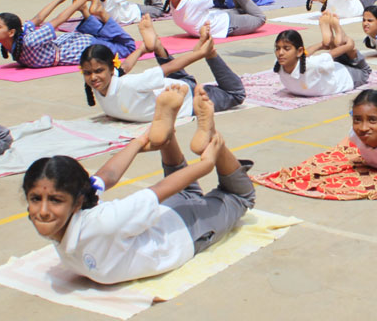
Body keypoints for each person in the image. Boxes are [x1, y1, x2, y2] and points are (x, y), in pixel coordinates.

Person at [23, 85, 255, 285]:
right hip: (167, 214)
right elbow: (107, 175)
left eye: (55, 200)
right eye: (35, 199)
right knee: (186, 191)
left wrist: (206, 164)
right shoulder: (73, 209)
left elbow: (160, 190)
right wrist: (140, 141)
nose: (43, 211)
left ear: (77, 202)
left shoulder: (105, 222)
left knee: (241, 196)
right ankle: (166, 136)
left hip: (185, 232)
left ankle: (213, 138)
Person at [80, 19, 245, 120]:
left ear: (110, 69)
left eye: (98, 71)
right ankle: (156, 46)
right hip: (175, 85)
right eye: (88, 73)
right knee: (181, 79)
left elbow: (170, 67)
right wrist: (142, 49)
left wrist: (203, 53)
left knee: (236, 94)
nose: (93, 77)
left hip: (190, 100)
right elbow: (124, 67)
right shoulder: (102, 82)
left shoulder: (130, 84)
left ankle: (212, 54)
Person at [0, 0, 136, 68]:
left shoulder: (28, 41)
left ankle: (97, 12)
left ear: (11, 32)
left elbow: (59, 20)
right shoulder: (17, 41)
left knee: (129, 47)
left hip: (79, 47)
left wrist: (78, 0)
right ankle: (87, 11)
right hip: (72, 41)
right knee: (103, 35)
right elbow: (38, 19)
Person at [273, 16, 372, 97]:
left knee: (363, 68)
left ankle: (341, 37)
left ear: (299, 51)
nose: (280, 53)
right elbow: (304, 53)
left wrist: (349, 46)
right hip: (338, 70)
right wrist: (322, 45)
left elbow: (331, 54)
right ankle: (338, 37)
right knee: (338, 47)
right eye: (277, 48)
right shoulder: (279, 63)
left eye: (286, 48)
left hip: (348, 75)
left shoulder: (311, 64)